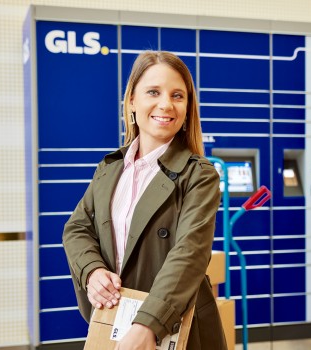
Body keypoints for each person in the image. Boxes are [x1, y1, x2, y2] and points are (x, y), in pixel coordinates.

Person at [63, 51, 227, 350]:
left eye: (178, 95)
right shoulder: (110, 168)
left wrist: (147, 324)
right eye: (153, 92)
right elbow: (77, 229)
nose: (166, 104)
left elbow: (189, 254)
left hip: (174, 326)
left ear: (188, 108)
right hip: (116, 318)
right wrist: (93, 271)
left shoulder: (199, 174)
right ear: (132, 101)